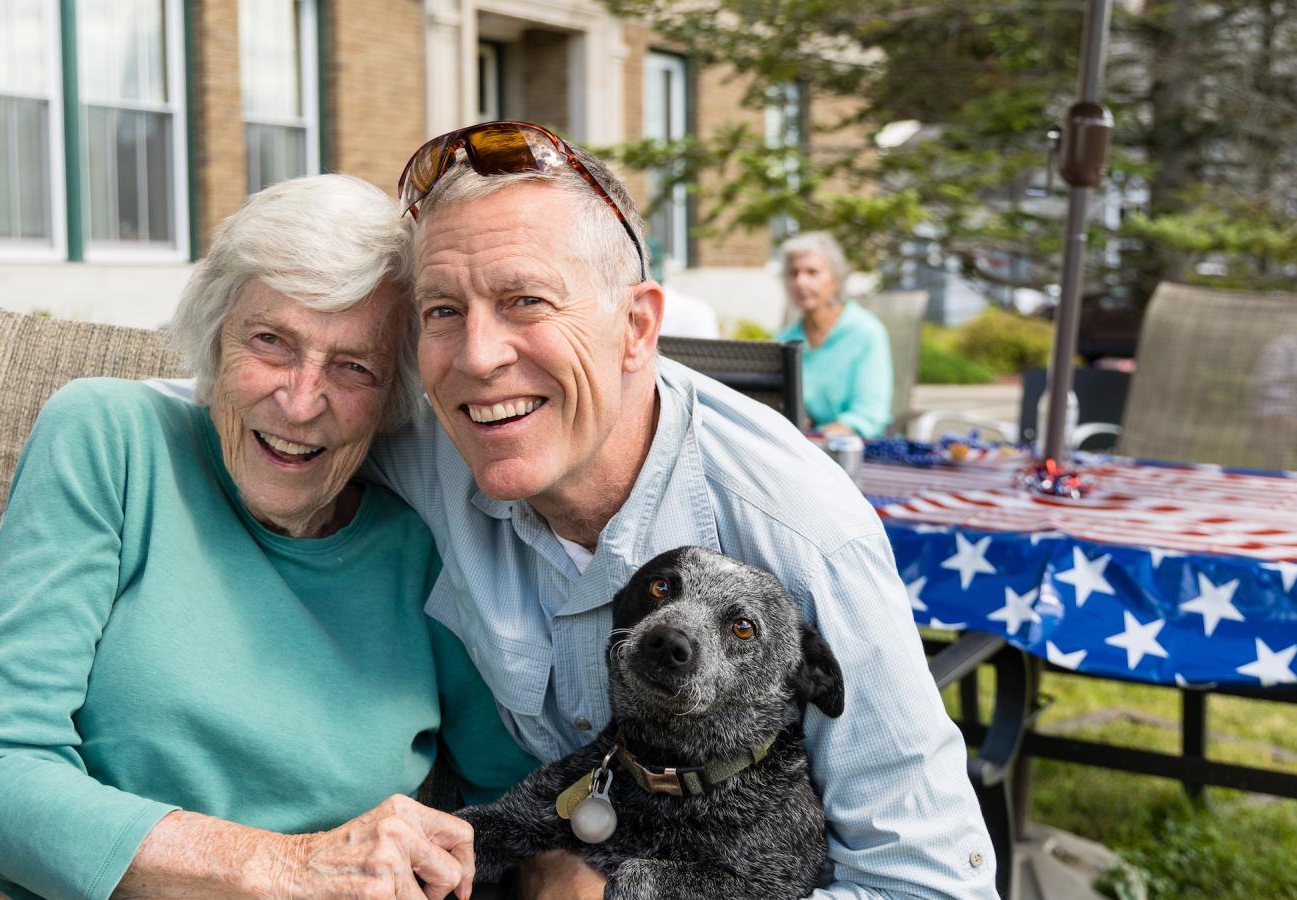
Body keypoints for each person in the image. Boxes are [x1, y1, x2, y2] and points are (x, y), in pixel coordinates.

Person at [373, 120, 996, 898]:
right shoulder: (438, 440)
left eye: (524, 300)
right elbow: (256, 405)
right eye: (441, 311)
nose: (477, 356)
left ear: (636, 327)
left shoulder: (801, 534)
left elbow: (935, 883)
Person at [0, 175, 536, 900]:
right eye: (271, 342)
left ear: (397, 391)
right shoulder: (111, 441)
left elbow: (519, 809)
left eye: (353, 367)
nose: (302, 400)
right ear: (216, 335)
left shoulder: (420, 550)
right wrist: (289, 867)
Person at [774, 232, 893, 437]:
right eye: (793, 273)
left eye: (812, 272)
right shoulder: (783, 339)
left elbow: (869, 416)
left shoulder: (866, 332)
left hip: (852, 452)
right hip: (799, 449)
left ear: (835, 280)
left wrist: (816, 437)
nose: (800, 282)